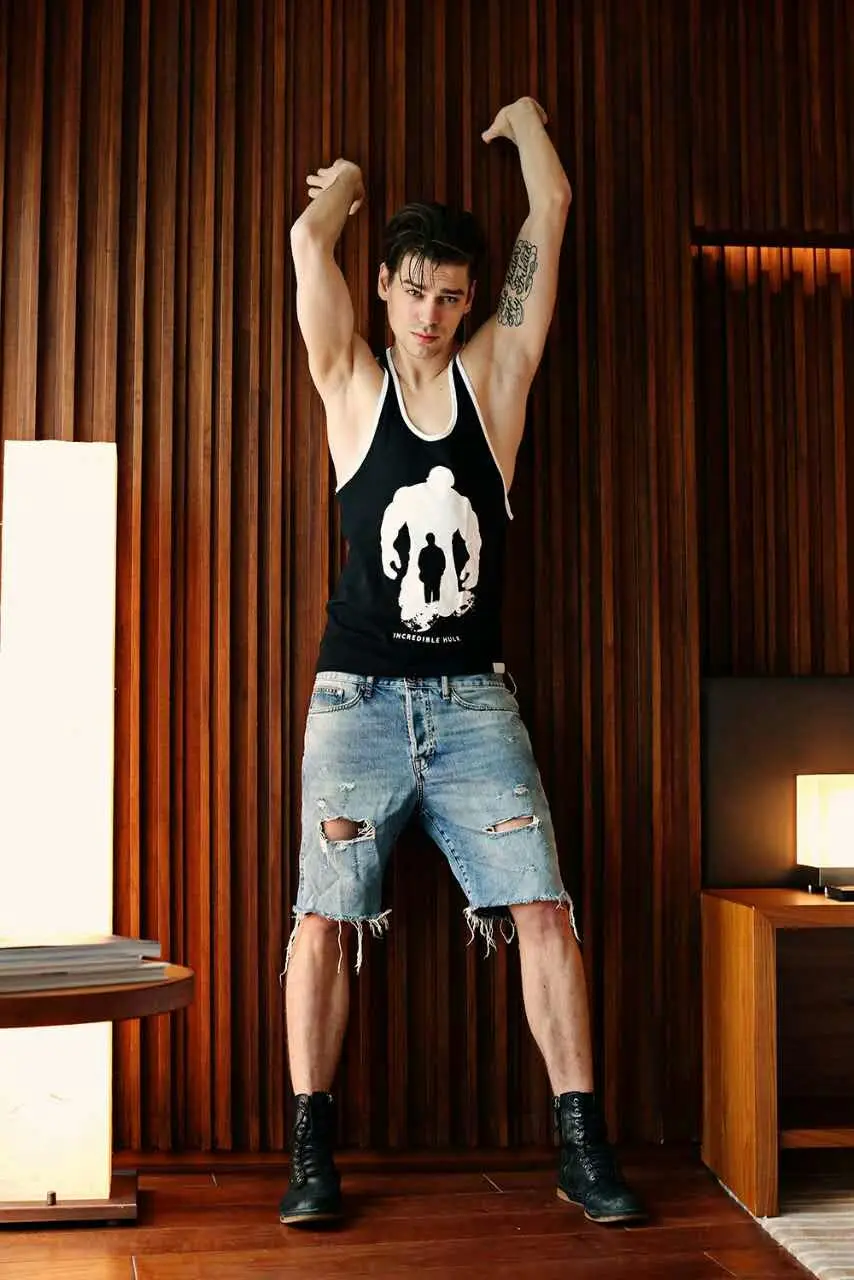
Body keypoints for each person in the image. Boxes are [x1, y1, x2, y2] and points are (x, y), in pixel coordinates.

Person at [280, 96, 646, 1229]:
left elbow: (554, 204)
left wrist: (527, 125)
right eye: (413, 290)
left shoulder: (497, 381)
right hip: (354, 700)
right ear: (385, 289)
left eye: (449, 295)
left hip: (475, 705)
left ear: (472, 298)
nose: (430, 314)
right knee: (322, 915)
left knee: (543, 906)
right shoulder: (351, 383)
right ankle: (309, 1152)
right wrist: (345, 183)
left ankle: (581, 1144)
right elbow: (305, 244)